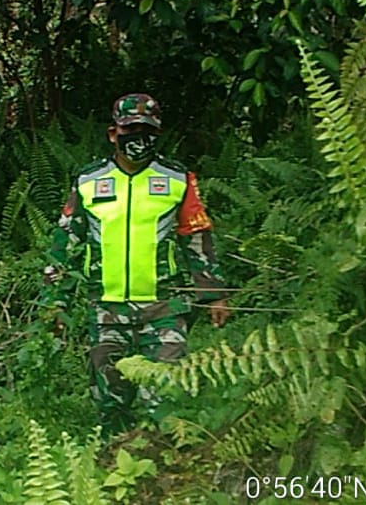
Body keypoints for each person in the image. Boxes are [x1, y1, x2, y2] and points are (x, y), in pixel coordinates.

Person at [45, 93, 231, 433]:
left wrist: (214, 293)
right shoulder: (89, 181)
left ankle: (166, 473)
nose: (138, 137)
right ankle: (114, 472)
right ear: (114, 133)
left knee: (163, 398)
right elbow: (65, 244)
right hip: (106, 311)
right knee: (111, 403)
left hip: (165, 309)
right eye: (130, 129)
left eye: (147, 130)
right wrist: (54, 302)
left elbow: (197, 237)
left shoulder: (177, 180)